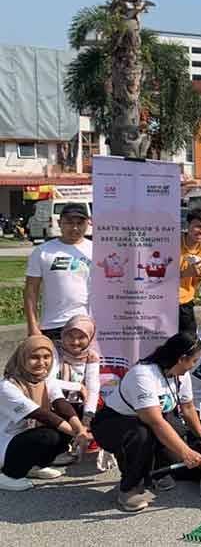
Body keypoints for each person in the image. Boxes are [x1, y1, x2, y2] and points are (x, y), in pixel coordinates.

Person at [92, 333, 201, 512]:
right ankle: (129, 488)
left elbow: (188, 408)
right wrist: (186, 452)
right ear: (181, 358)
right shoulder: (143, 374)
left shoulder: (181, 375)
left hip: (150, 420)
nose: (194, 366)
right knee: (141, 436)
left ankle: (156, 472)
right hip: (113, 423)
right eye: (194, 361)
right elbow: (155, 422)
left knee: (177, 431)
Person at [0, 336, 91, 492]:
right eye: (34, 357)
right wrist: (78, 435)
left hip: (25, 436)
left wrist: (80, 429)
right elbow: (40, 415)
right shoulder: (7, 386)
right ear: (22, 358)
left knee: (67, 423)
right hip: (6, 442)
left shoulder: (44, 379)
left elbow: (61, 404)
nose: (42, 362)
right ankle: (9, 474)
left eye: (46, 357)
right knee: (49, 435)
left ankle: (32, 466)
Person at [24, 202, 93, 340]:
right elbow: (31, 291)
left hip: (87, 325)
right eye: (69, 222)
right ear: (59, 222)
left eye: (80, 223)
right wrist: (32, 326)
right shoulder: (42, 251)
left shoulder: (96, 250)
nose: (74, 228)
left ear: (88, 223)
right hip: (52, 325)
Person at [47, 314, 101, 463]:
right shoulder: (55, 350)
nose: (75, 341)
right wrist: (77, 386)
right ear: (63, 335)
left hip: (77, 403)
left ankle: (82, 442)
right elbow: (48, 381)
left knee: (100, 410)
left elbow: (93, 387)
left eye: (81, 337)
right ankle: (56, 452)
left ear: (89, 337)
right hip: (55, 401)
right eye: (70, 335)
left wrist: (87, 417)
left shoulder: (91, 356)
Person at [179, 208, 201, 336]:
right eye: (197, 226)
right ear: (188, 225)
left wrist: (189, 295)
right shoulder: (171, 243)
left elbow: (199, 280)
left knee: (189, 342)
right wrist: (183, 273)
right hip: (160, 300)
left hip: (185, 303)